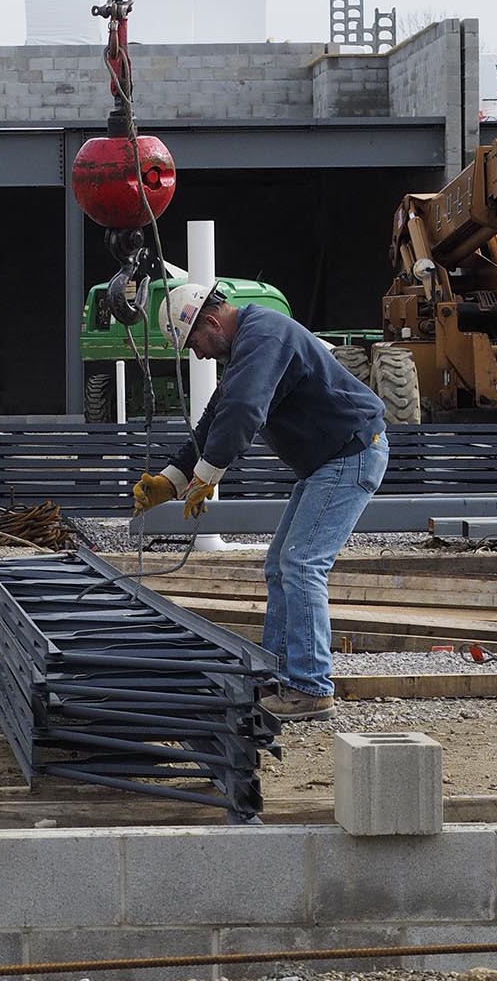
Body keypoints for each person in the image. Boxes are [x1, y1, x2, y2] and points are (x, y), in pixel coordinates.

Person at [131, 284, 388, 722]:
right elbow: (217, 416)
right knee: (281, 565)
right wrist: (171, 481)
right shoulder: (249, 344)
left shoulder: (265, 334)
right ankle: (279, 675)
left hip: (351, 452)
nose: (199, 356)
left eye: (194, 344)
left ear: (211, 323)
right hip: (330, 460)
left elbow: (245, 410)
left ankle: (310, 687)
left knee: (302, 564)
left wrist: (206, 476)